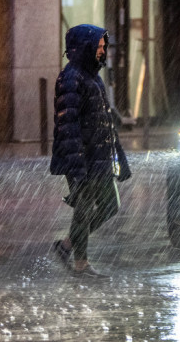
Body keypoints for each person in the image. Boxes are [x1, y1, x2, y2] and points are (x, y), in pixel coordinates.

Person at [50, 24, 131, 279]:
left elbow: (104, 119)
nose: (102, 51)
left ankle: (66, 246)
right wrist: (77, 165)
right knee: (83, 209)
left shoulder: (92, 76)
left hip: (100, 156)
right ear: (84, 48)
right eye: (98, 47)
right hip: (82, 157)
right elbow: (68, 125)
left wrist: (117, 155)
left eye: (102, 46)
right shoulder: (71, 77)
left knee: (110, 206)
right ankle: (81, 264)